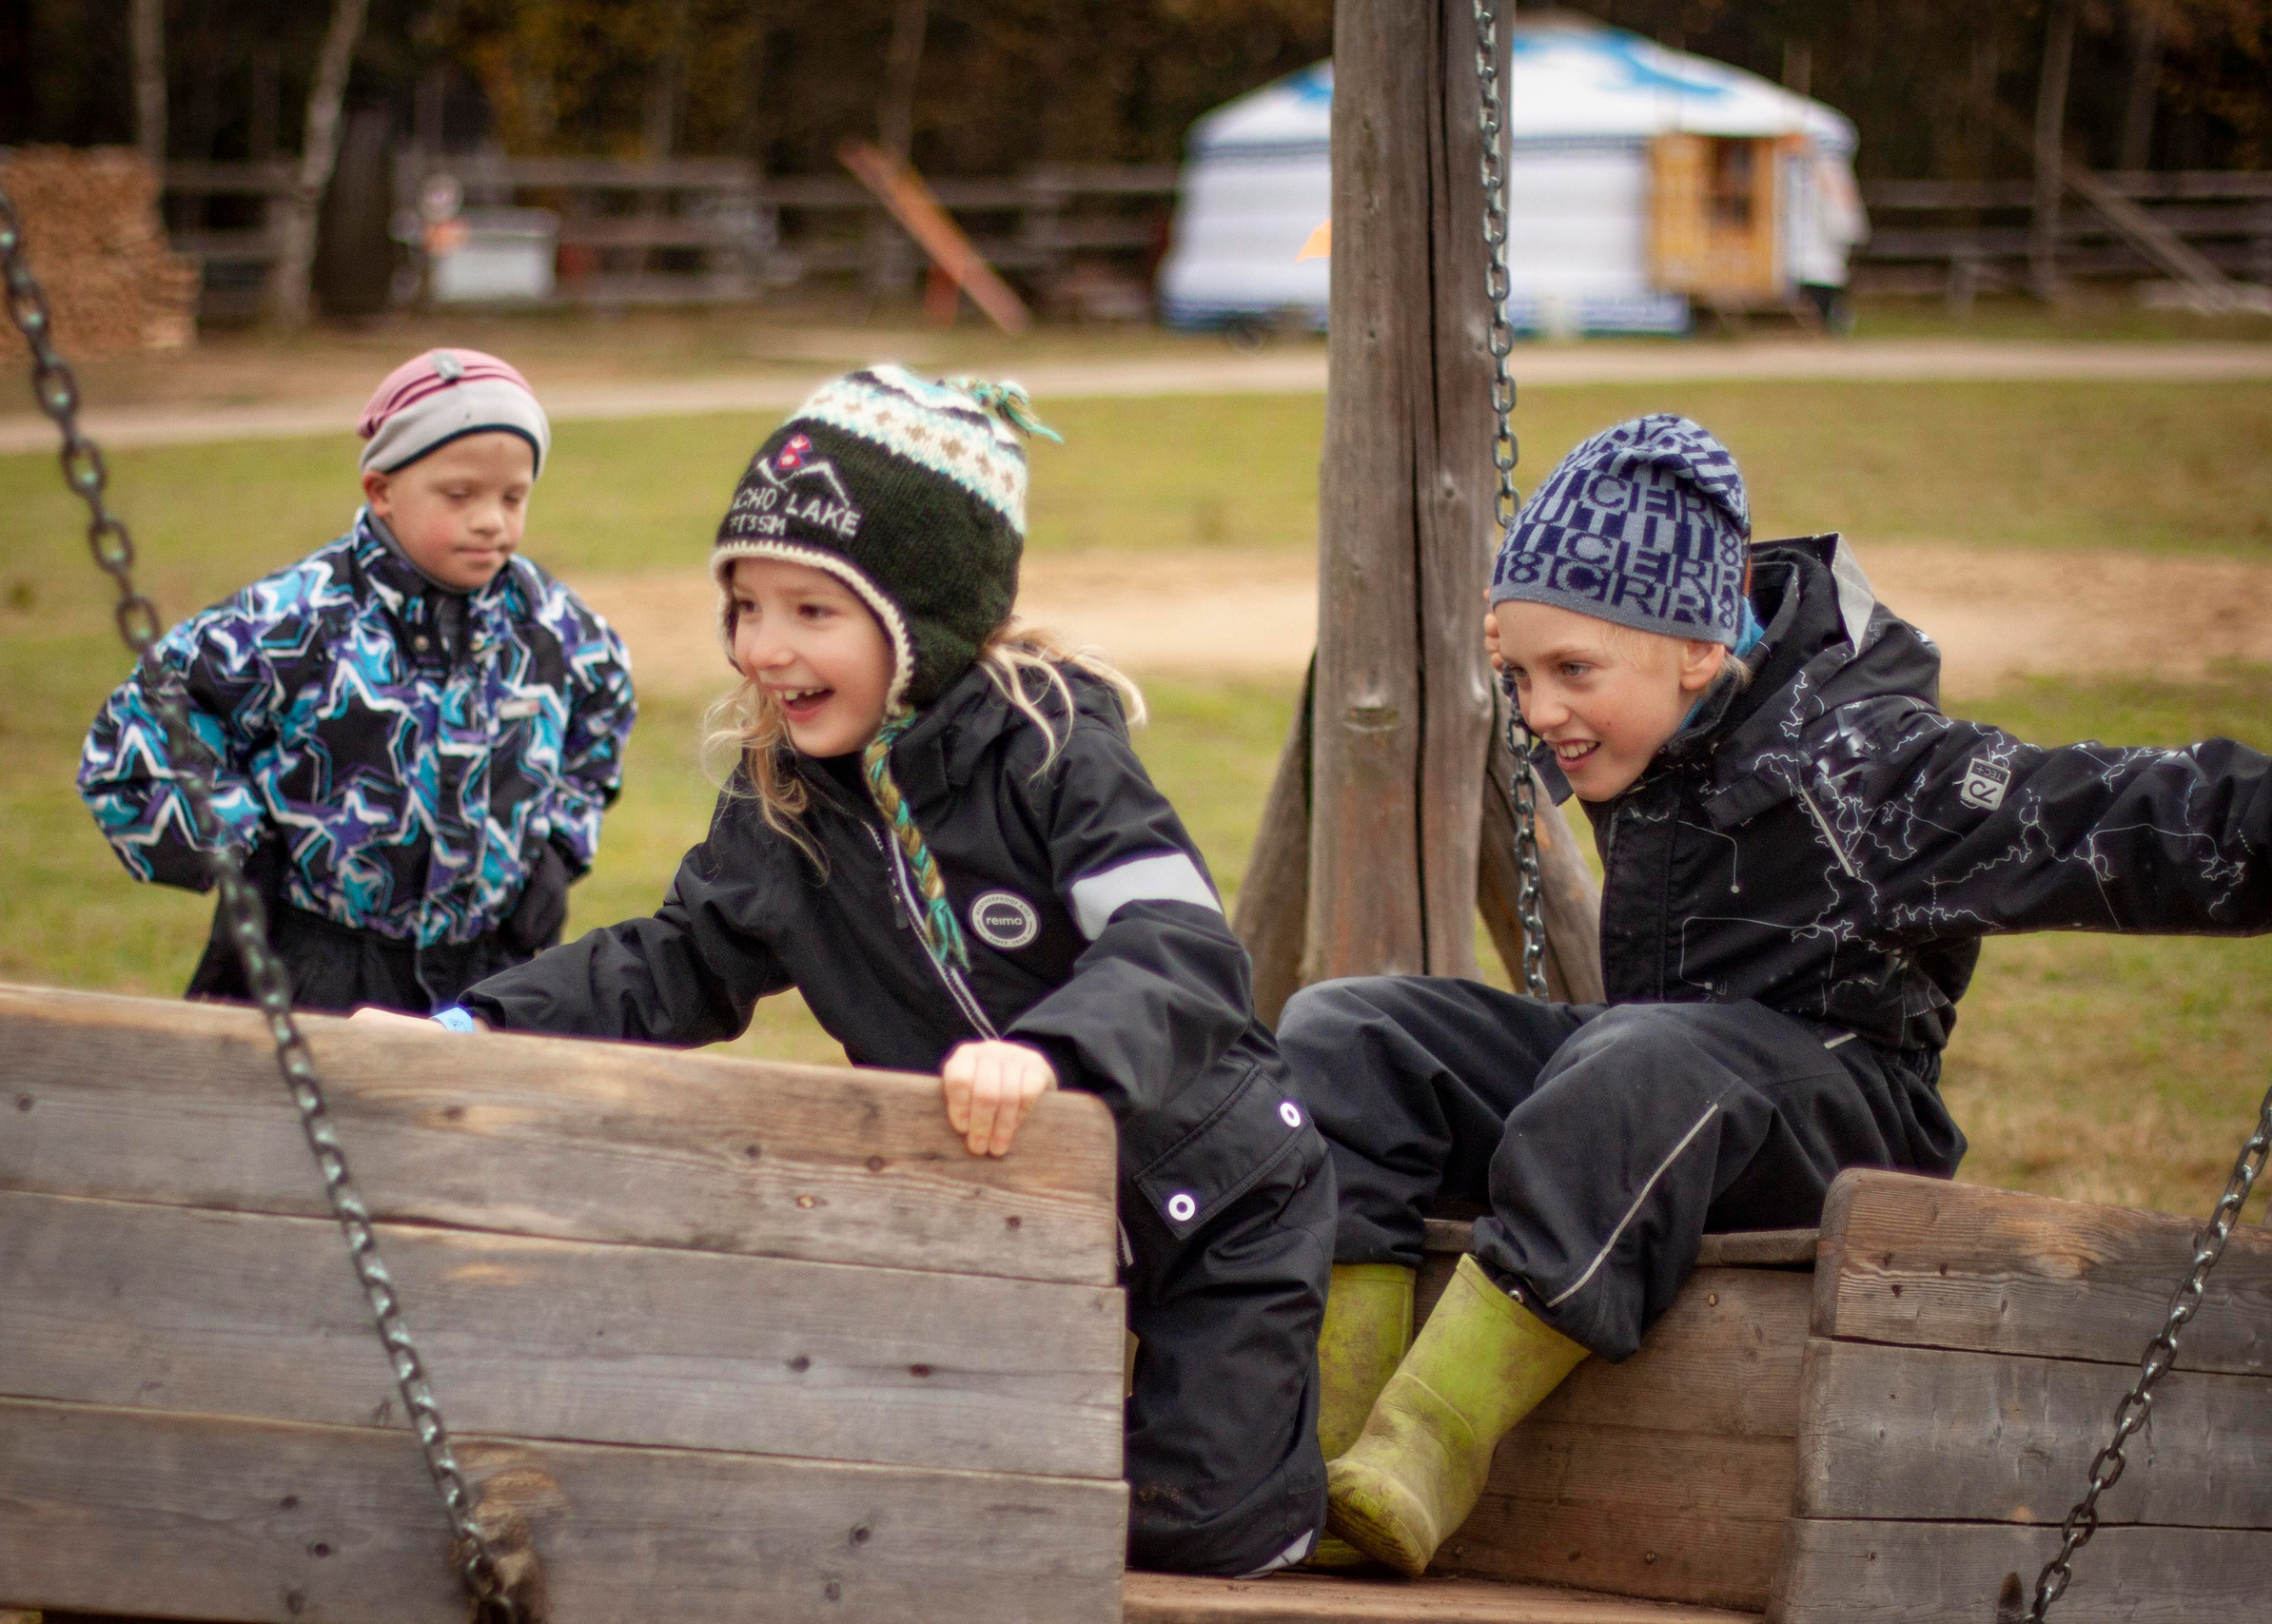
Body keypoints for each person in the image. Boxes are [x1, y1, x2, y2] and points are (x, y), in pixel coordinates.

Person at [371, 366, 1332, 1576]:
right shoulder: (785, 808)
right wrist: (473, 1026)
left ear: (920, 619)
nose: (763, 649)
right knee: (949, 1514)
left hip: (1214, 1202)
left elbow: (1182, 951)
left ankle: (1298, 1444)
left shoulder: (1049, 748)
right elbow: (667, 965)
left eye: (812, 612)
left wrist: (1049, 1057)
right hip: (1005, 1217)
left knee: (1198, 1532)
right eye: (745, 607)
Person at [1283, 413, 2272, 1576]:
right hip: (1655, 1080)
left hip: (1840, 1112)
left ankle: (1429, 1437)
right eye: (1518, 673)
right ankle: (1328, 1445)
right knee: (1349, 1030)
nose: (1539, 712)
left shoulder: (1868, 775)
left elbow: (2095, 813)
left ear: (1699, 648)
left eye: (1573, 672)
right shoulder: (1661, 719)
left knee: (1641, 1063)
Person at [76, 347, 635, 1014]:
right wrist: (235, 851)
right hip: (316, 967)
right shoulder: (296, 619)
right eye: (459, 495)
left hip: (489, 971)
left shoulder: (556, 628)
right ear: (381, 491)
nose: (492, 519)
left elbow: (601, 724)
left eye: (513, 497)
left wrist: (558, 851)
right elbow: (133, 741)